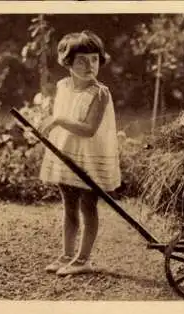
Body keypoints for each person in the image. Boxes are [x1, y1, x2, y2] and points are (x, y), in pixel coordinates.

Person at [38, 30, 121, 276]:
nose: (89, 66)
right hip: (67, 154)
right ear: (68, 63)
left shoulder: (100, 93)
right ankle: (67, 254)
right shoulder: (63, 86)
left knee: (88, 205)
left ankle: (83, 258)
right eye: (82, 60)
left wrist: (59, 120)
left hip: (89, 157)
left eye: (94, 59)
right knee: (69, 206)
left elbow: (88, 130)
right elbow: (61, 117)